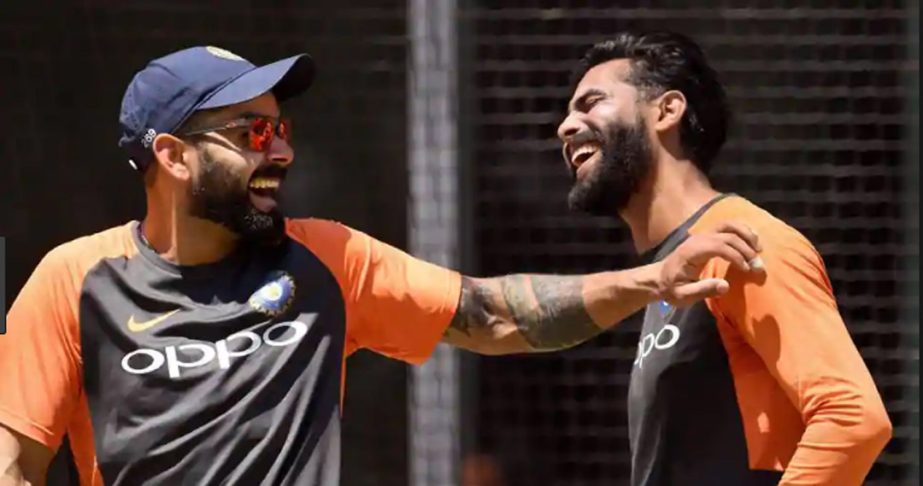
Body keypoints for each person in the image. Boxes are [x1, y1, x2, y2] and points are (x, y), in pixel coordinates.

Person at [0, 46, 761, 486]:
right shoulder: (74, 281)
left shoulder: (323, 258)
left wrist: (649, 281)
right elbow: (14, 463)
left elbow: (491, 313)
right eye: (253, 131)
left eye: (282, 128)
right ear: (170, 154)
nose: (282, 150)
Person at [556, 30, 893, 486]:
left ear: (667, 111)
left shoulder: (745, 241)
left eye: (591, 103)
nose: (566, 126)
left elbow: (853, 416)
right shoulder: (672, 270)